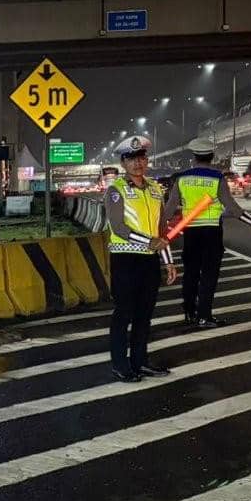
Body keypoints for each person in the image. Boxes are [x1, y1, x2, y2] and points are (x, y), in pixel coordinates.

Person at [162, 139, 251, 328]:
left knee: (190, 273)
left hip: (190, 232)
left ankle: (189, 313)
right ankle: (204, 316)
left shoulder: (182, 178)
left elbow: (170, 208)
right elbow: (232, 207)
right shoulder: (217, 178)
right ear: (212, 157)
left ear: (194, 156)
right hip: (211, 232)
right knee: (208, 275)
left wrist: (158, 227)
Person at [104, 135, 177, 383]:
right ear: (124, 163)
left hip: (149, 262)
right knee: (123, 313)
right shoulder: (116, 190)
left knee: (145, 314)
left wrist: (167, 261)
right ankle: (119, 364)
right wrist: (148, 242)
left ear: (147, 160)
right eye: (131, 159)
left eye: (141, 158)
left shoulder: (156, 190)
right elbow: (119, 226)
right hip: (125, 259)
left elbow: (161, 230)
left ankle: (140, 361)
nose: (138, 163)